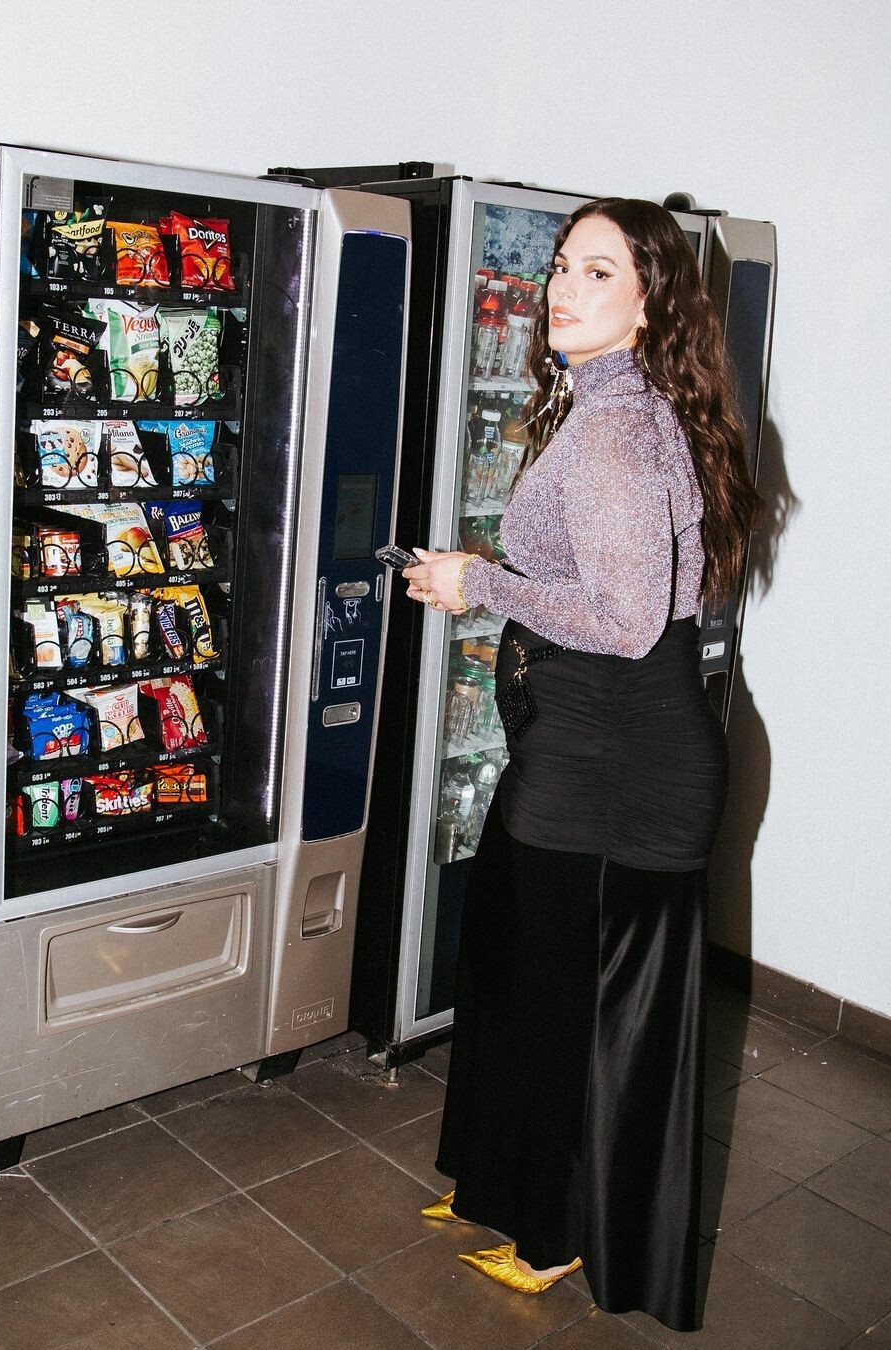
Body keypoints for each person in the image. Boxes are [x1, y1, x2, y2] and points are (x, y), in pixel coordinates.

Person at [403, 197, 760, 1332]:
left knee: (560, 1004)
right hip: (582, 749)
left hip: (617, 767)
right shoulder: (614, 404)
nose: (562, 287)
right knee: (515, 971)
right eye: (563, 265)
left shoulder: (616, 431)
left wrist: (477, 583)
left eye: (598, 272)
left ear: (650, 304)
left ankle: (554, 1232)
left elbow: (623, 620)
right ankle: (500, 1187)